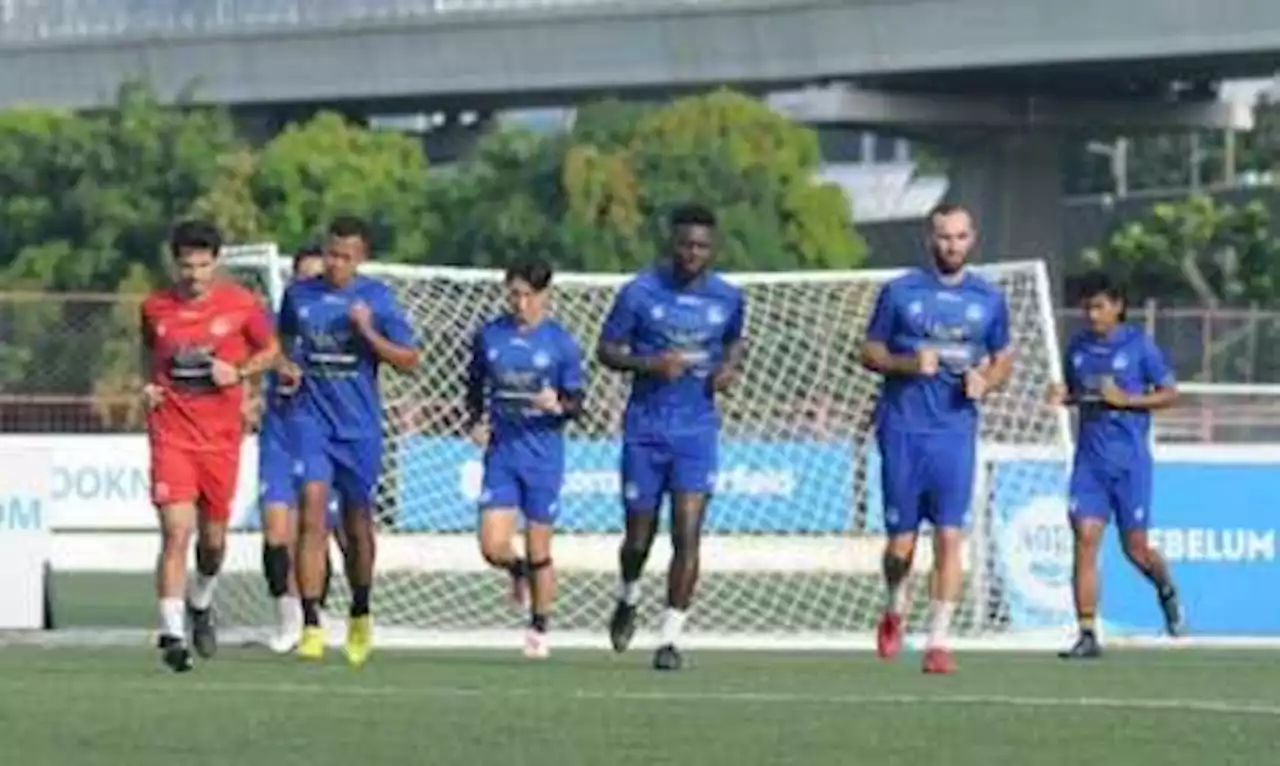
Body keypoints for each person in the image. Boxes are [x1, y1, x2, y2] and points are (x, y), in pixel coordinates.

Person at [860, 203, 1012, 675]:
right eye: (944, 236)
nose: (952, 245)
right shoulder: (900, 292)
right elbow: (869, 350)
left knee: (950, 537)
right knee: (900, 547)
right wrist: (908, 364)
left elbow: (1003, 357)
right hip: (903, 430)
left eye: (960, 236)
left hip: (954, 432)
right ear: (931, 239)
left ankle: (938, 642)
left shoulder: (988, 298)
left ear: (973, 239)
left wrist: (986, 382)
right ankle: (894, 604)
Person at [598, 203, 747, 671]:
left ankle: (669, 639)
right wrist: (650, 365)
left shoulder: (728, 297)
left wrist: (728, 369)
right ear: (671, 244)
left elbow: (735, 342)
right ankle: (628, 595)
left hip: (696, 431)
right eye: (685, 244)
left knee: (687, 532)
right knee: (638, 539)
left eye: (702, 246)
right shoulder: (639, 293)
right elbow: (606, 350)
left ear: (713, 248)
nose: (692, 254)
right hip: (645, 428)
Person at [277, 215, 421, 666]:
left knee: (358, 529)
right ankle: (311, 623)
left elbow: (409, 359)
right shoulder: (300, 295)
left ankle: (360, 609)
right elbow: (281, 339)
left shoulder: (376, 299)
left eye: (345, 256)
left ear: (360, 258)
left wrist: (368, 333)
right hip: (310, 421)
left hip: (359, 429)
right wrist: (285, 364)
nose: (335, 263)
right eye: (330, 253)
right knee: (312, 513)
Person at [140, 219, 279, 672]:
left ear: (216, 263)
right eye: (186, 265)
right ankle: (171, 633)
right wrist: (148, 387)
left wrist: (237, 373)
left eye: (202, 265)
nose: (194, 275)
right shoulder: (155, 307)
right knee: (176, 531)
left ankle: (200, 601)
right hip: (172, 436)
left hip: (220, 442)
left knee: (213, 544)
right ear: (175, 263)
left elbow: (272, 351)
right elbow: (149, 355)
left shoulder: (241, 305)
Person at [1048, 271, 1184, 659]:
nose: (1092, 314)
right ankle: (1088, 633)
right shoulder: (1076, 348)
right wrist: (1064, 396)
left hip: (1130, 463)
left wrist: (1127, 400)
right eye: (1087, 307)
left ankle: (1165, 587)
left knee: (1135, 549)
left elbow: (1170, 393)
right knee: (1085, 539)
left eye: (1099, 306)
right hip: (1090, 461)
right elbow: (1080, 394)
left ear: (1118, 307)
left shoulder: (1139, 346)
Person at [465, 257, 585, 660]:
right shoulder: (490, 335)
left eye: (526, 295)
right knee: (492, 545)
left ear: (544, 296)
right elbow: (475, 382)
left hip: (543, 454)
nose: (518, 303)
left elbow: (577, 404)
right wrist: (474, 420)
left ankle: (538, 627)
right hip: (502, 451)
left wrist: (558, 405)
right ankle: (515, 572)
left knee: (539, 551)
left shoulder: (560, 343)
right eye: (512, 294)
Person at [256, 245, 348, 654]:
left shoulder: (334, 330)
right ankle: (286, 616)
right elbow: (249, 357)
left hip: (319, 437)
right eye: (303, 277)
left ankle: (316, 613)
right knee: (277, 532)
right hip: (278, 436)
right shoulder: (273, 326)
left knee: (316, 531)